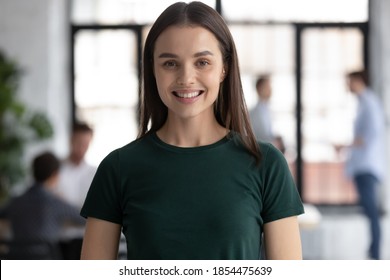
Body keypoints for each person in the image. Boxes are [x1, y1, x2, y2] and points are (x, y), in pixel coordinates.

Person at [80, 1, 304, 260]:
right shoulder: (117, 168)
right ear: (152, 69)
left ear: (224, 68)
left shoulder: (265, 164)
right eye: (170, 64)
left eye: (202, 62)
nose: (186, 78)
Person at [0, 151, 85, 259]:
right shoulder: (55, 202)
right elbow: (84, 218)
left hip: (15, 259)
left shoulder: (16, 201)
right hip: (45, 261)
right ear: (54, 175)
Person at [338, 70, 386, 260]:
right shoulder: (363, 103)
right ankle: (373, 251)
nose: (347, 85)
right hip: (363, 165)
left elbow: (369, 136)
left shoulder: (369, 103)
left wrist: (345, 145)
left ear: (358, 81)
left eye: (349, 81)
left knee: (372, 210)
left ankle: (375, 254)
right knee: (369, 210)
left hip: (367, 166)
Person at [55, 121, 96, 259]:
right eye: (78, 143)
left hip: (84, 237)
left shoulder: (94, 173)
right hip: (59, 237)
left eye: (85, 144)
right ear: (70, 140)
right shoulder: (56, 171)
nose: (81, 148)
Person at [249, 75, 285, 153]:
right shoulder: (253, 114)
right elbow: (259, 138)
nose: (270, 90)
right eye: (267, 87)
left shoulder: (268, 110)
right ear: (259, 89)